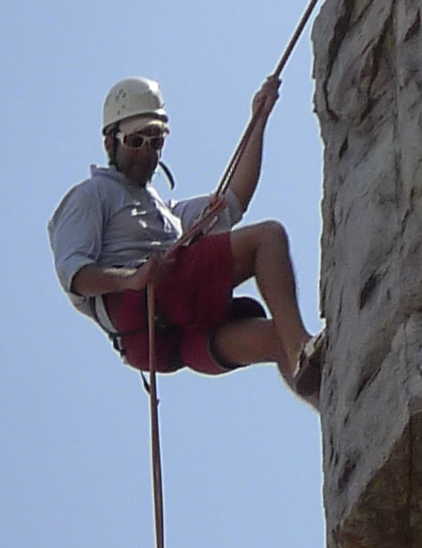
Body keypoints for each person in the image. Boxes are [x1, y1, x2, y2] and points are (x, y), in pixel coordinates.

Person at [48, 75, 324, 399]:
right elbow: (76, 275)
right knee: (268, 238)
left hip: (167, 338)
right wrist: (132, 279)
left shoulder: (167, 215)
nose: (146, 151)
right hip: (143, 306)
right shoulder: (92, 194)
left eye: (155, 141)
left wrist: (259, 120)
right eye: (135, 140)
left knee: (277, 337)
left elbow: (235, 199)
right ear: (111, 144)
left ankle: (334, 409)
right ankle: (302, 350)